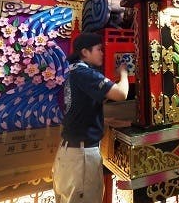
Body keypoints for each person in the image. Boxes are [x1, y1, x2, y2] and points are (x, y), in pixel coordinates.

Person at [53, 32, 129, 203]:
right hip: (81, 158)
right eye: (99, 49)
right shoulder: (85, 73)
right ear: (85, 52)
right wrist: (124, 72)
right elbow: (121, 94)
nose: (102, 53)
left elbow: (78, 109)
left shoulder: (72, 71)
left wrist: (103, 121)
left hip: (69, 154)